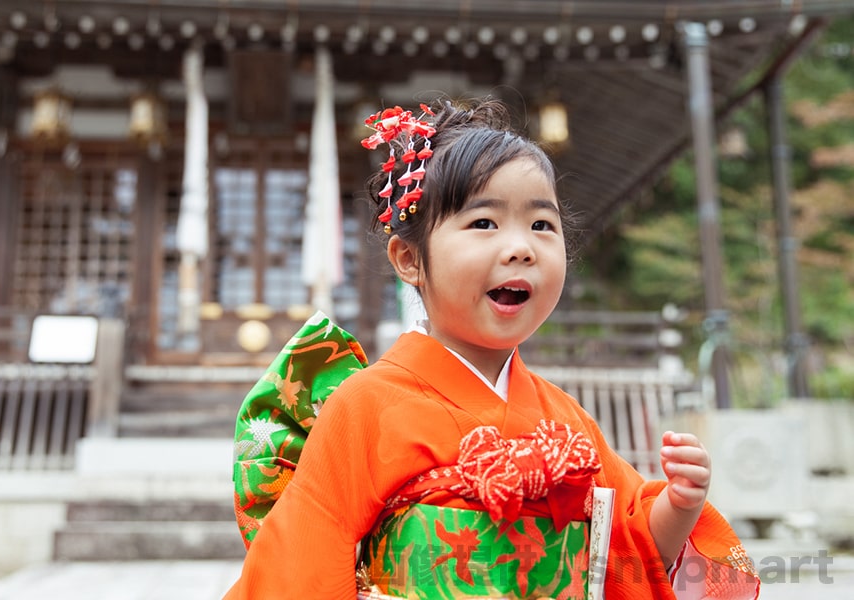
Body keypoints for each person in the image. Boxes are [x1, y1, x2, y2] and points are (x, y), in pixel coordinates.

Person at [224, 98, 760, 599]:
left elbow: (625, 551)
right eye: (483, 222)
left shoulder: (567, 420)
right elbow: (303, 559)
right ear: (409, 260)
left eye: (541, 224)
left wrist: (678, 506)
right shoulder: (364, 406)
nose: (521, 248)